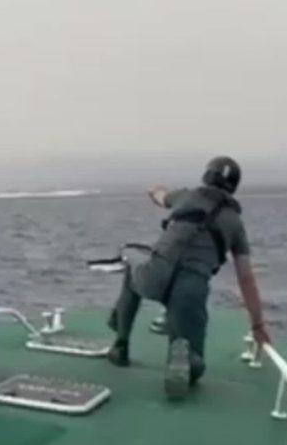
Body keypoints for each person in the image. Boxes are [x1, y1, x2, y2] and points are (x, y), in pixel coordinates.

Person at [105, 156, 270, 399]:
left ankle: (120, 344)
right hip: (191, 288)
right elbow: (246, 279)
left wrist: (155, 190)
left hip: (155, 273)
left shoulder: (185, 197)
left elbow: (160, 197)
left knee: (132, 271)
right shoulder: (235, 224)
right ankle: (185, 357)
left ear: (206, 176)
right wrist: (257, 325)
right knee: (192, 356)